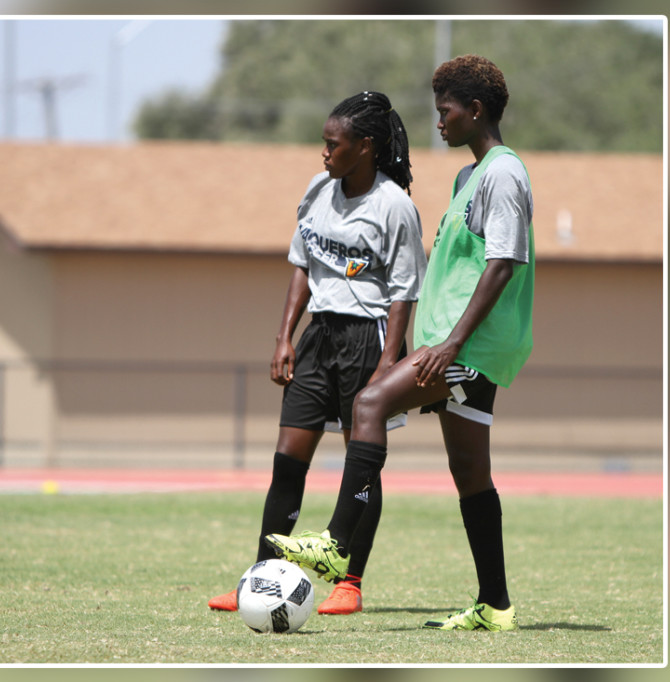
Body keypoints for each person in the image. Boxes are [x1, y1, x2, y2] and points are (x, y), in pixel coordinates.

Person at [266, 55, 534, 632]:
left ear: (476, 110)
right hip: (456, 345)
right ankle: (496, 605)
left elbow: (503, 264)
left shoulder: (503, 173)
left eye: (447, 111)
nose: (438, 122)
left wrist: (450, 343)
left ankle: (338, 546)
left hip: (466, 348)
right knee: (469, 472)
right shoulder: (469, 176)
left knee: (369, 403)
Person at [208, 91, 427, 616]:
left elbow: (404, 293)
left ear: (366, 147)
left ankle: (349, 582)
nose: (324, 153)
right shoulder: (316, 190)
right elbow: (302, 266)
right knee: (287, 463)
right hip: (318, 338)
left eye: (334, 144)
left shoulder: (394, 205)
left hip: (368, 339)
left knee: (362, 466)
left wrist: (386, 365)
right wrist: (284, 335)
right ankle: (259, 581)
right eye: (324, 143)